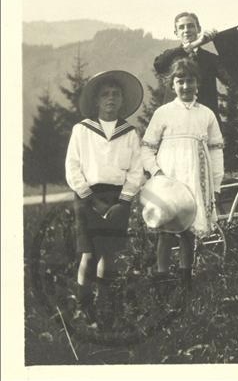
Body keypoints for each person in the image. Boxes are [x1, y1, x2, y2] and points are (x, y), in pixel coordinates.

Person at [65, 70, 144, 326]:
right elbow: (73, 167)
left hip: (117, 198)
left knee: (109, 254)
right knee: (89, 253)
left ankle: (105, 302)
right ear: (97, 101)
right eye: (105, 94)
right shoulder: (82, 130)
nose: (111, 98)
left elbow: (136, 169)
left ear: (122, 101)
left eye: (116, 94)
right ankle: (83, 305)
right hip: (87, 197)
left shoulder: (129, 133)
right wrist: (90, 198)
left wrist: (124, 202)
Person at [141, 58, 224, 291]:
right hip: (169, 177)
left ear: (198, 84)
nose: (186, 86)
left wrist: (215, 183)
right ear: (172, 85)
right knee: (166, 231)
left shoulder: (206, 114)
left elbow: (217, 151)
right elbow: (146, 148)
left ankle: (186, 280)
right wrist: (157, 172)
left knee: (188, 231)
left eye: (190, 81)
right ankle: (162, 280)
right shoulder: (163, 113)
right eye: (180, 81)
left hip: (196, 177)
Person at [153, 12, 238, 121]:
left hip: (205, 122)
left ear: (198, 29)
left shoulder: (211, 59)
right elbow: (159, 65)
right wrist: (193, 45)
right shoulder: (171, 57)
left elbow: (235, 81)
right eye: (182, 27)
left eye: (190, 26)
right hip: (175, 121)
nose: (186, 30)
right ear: (176, 33)